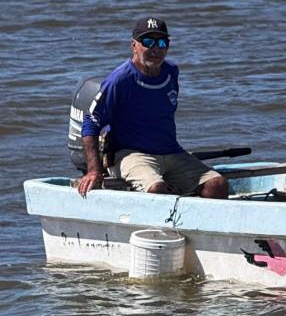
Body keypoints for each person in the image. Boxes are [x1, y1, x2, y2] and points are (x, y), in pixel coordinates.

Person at [74, 16, 229, 199]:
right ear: (134, 46)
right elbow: (91, 123)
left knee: (217, 185)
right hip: (131, 155)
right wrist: (94, 170)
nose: (156, 49)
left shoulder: (171, 72)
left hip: (171, 151)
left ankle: (197, 226)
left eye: (162, 42)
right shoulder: (120, 80)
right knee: (156, 189)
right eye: (148, 41)